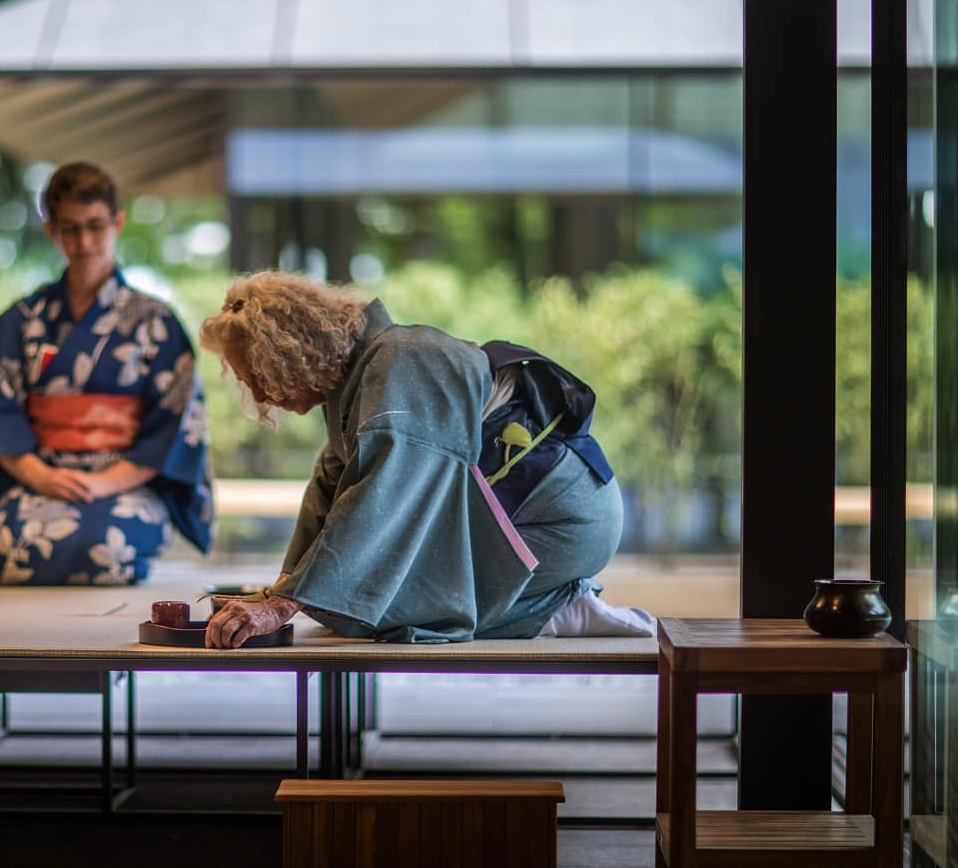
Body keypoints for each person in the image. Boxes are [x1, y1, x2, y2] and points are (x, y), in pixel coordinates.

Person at [197, 271, 652, 648]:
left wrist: (284, 604)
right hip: (529, 516)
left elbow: (381, 494)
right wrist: (284, 590)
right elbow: (330, 485)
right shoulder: (364, 379)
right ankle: (544, 602)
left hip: (561, 521)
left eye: (257, 375)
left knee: (392, 609)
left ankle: (558, 608)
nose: (258, 394)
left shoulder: (401, 363)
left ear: (291, 356)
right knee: (343, 606)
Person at [0, 162, 212, 584]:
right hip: (39, 479)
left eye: (96, 226)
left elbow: (175, 426)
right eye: (70, 228)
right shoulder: (19, 322)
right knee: (16, 551)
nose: (85, 241)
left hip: (126, 483)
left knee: (105, 548)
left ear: (118, 222)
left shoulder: (156, 323)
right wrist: (45, 477)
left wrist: (105, 483)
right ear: (51, 230)